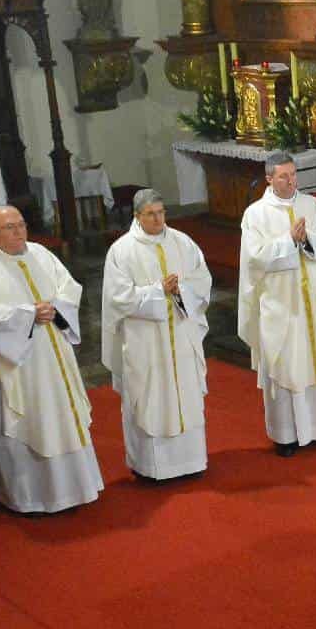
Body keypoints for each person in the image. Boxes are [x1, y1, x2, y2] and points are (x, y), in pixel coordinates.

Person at [0, 206, 103, 513]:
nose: (18, 232)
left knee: (61, 416)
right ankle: (31, 498)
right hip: (13, 366)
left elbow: (69, 288)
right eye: (9, 227)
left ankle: (74, 489)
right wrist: (28, 315)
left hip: (53, 357)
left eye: (21, 225)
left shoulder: (41, 254)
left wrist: (55, 308)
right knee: (28, 422)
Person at [100, 189, 212, 482]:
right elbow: (118, 298)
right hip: (146, 340)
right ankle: (152, 468)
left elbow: (202, 279)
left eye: (161, 212)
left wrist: (180, 290)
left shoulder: (182, 242)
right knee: (151, 397)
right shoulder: (122, 251)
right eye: (151, 214)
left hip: (181, 333)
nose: (158, 219)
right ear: (137, 216)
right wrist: (157, 291)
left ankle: (191, 461)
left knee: (185, 393)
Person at [238, 151, 316, 456]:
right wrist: (289, 241)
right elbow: (255, 258)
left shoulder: (311, 205)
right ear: (269, 178)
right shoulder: (255, 214)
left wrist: (307, 240)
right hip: (281, 304)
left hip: (312, 300)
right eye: (283, 176)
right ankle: (286, 436)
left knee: (315, 358)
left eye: (293, 174)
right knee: (285, 361)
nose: (291, 181)